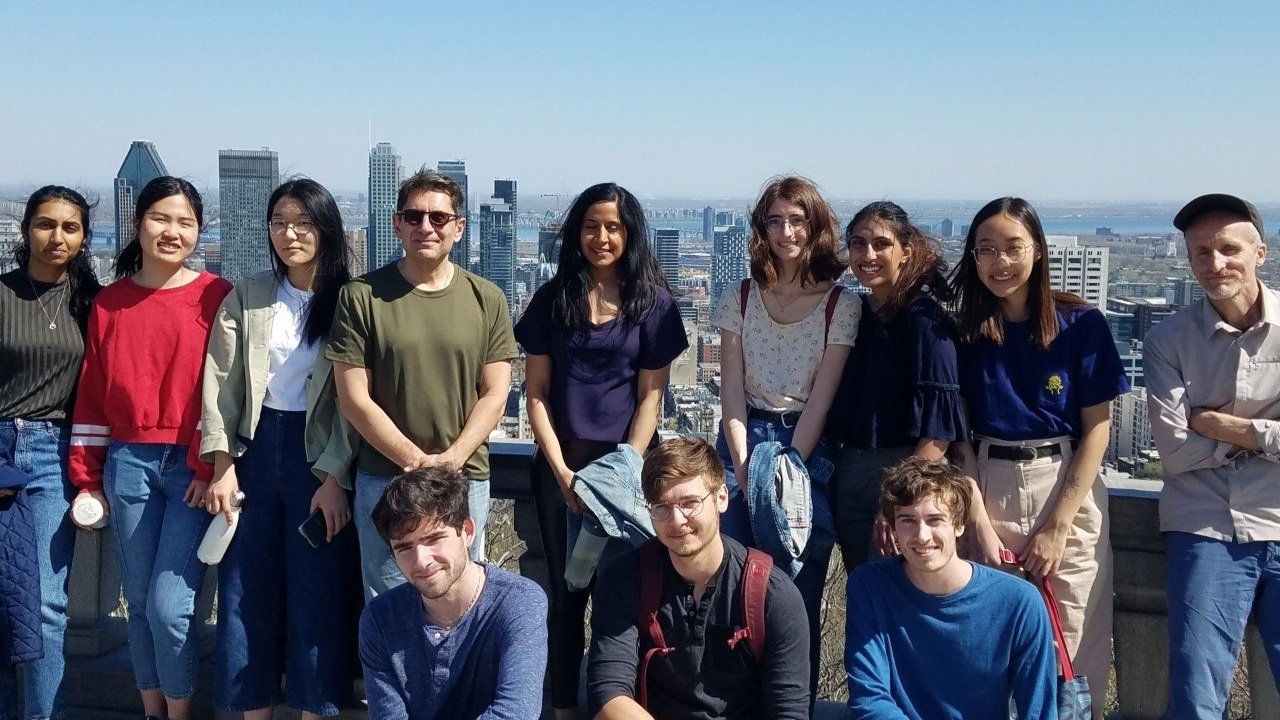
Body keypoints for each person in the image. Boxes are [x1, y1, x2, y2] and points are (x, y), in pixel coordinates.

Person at [949, 196, 1128, 715]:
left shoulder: (1081, 324)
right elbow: (960, 438)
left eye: (1013, 247)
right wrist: (978, 522)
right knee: (994, 642)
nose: (1000, 262)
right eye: (986, 250)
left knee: (1074, 640)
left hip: (1064, 480)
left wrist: (1059, 526)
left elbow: (1098, 431)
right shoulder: (964, 332)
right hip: (987, 481)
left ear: (1038, 251)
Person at [515, 182, 688, 718]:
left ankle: (626, 707)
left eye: (613, 227)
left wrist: (622, 471)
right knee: (566, 596)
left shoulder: (652, 304)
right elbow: (536, 393)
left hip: (630, 474)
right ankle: (564, 709)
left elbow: (651, 398)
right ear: (576, 233)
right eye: (591, 226)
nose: (602, 237)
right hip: (562, 466)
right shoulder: (552, 300)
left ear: (630, 234)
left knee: (630, 596)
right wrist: (564, 473)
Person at [67, 176, 232, 720]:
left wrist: (212, 466)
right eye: (161, 218)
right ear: (137, 224)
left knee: (169, 606)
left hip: (193, 466)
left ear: (199, 231)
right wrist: (87, 477)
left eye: (186, 222)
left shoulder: (218, 296)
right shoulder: (109, 304)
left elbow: (231, 391)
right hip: (128, 461)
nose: (172, 231)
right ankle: (151, 711)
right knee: (139, 602)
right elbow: (93, 395)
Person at [200, 178, 357, 718]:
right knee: (244, 590)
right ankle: (252, 710)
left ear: (326, 228)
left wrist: (334, 477)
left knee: (317, 593)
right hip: (255, 449)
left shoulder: (351, 300)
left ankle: (316, 708)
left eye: (303, 223)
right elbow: (221, 383)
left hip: (318, 454)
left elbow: (359, 398)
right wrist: (222, 465)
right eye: (279, 223)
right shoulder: (248, 295)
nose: (289, 234)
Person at [326, 168, 518, 599]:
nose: (426, 226)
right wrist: (417, 460)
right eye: (414, 216)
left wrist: (452, 459)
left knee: (461, 598)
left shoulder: (487, 298)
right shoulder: (361, 296)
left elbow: (495, 393)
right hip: (385, 479)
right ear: (397, 224)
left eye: (439, 217)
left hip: (464, 479)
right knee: (389, 604)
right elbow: (353, 398)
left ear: (459, 228)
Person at [714, 175, 857, 695]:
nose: (786, 232)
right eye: (774, 221)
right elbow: (731, 392)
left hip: (807, 448)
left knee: (799, 593)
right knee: (732, 588)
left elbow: (822, 398)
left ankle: (793, 706)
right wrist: (744, 466)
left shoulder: (841, 305)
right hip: (742, 441)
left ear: (816, 227)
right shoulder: (741, 297)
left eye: (797, 220)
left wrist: (787, 472)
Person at [1145, 193, 1280, 719]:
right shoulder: (1168, 340)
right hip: (1205, 529)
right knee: (1196, 697)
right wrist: (1269, 435)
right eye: (1201, 252)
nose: (1215, 263)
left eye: (1228, 249)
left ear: (1260, 253)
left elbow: (1194, 438)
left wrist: (1223, 425)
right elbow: (1175, 453)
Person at [824, 201, 996, 574]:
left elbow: (939, 430)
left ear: (906, 251)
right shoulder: (855, 314)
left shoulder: (925, 321)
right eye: (858, 243)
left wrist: (899, 500)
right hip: (849, 470)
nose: (868, 254)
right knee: (864, 585)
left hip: (904, 470)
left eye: (881, 244)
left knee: (898, 585)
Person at [587, 437, 810, 719]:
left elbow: (788, 712)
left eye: (690, 503)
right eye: (661, 507)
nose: (676, 520)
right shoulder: (626, 579)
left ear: (721, 497)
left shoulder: (771, 595)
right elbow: (608, 693)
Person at [844, 456, 1057, 719]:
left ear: (959, 524)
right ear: (893, 526)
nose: (922, 536)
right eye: (908, 520)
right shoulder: (870, 587)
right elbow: (870, 699)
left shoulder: (1019, 602)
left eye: (935, 520)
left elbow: (1039, 711)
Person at [0, 185, 102, 720]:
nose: (56, 237)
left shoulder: (93, 303)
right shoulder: (2, 293)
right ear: (26, 230)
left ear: (84, 237)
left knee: (44, 602)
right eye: (45, 224)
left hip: (55, 452)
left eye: (70, 227)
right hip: (0, 443)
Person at [358, 465, 547, 719]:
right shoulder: (381, 619)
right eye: (404, 548)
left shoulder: (519, 603)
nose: (421, 561)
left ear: (467, 531)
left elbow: (515, 712)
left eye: (433, 539)